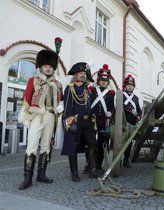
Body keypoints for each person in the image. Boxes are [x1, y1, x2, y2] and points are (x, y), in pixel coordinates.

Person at [18, 49, 63, 190]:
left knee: (45, 146)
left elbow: (59, 100)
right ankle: (27, 177)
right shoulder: (33, 81)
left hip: (50, 115)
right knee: (31, 145)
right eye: (46, 66)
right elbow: (27, 98)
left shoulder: (57, 84)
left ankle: (41, 174)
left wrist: (60, 106)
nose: (48, 68)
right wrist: (25, 115)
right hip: (37, 115)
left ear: (53, 68)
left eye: (50, 66)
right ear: (41, 67)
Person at [61, 62, 102, 182]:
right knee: (72, 146)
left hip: (88, 121)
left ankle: (92, 169)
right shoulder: (70, 88)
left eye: (84, 74)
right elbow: (67, 106)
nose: (83, 75)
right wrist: (69, 122)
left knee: (92, 144)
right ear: (76, 75)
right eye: (80, 73)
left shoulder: (87, 90)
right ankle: (74, 172)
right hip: (75, 120)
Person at [90, 64, 115, 172]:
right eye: (102, 80)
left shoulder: (110, 94)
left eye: (106, 80)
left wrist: (110, 112)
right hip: (92, 121)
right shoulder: (93, 91)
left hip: (104, 123)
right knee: (90, 144)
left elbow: (112, 108)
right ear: (98, 81)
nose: (104, 82)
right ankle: (90, 165)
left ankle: (99, 165)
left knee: (101, 144)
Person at [122, 74, 142, 168]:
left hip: (132, 123)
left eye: (131, 85)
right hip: (123, 122)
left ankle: (126, 160)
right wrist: (129, 109)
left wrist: (139, 116)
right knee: (121, 142)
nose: (130, 87)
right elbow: (119, 106)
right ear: (125, 86)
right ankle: (119, 160)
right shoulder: (121, 95)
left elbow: (139, 110)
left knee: (129, 143)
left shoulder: (136, 98)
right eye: (128, 85)